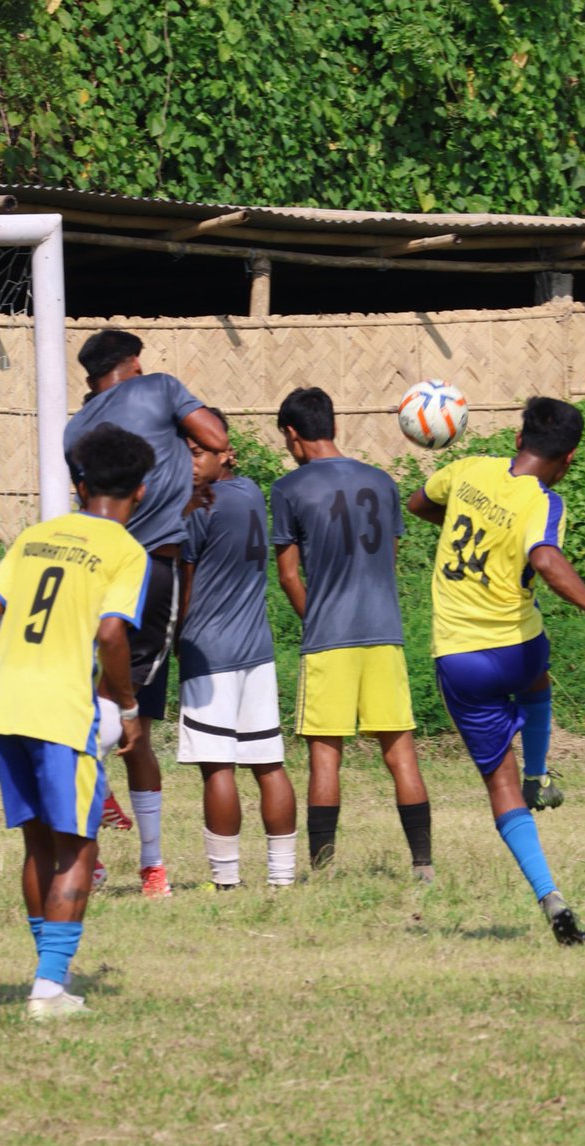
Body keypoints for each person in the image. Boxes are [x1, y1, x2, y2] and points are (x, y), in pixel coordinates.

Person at [406, 395, 585, 947]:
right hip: (517, 650)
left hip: (461, 660)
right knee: (538, 662)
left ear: (518, 439)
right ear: (570, 458)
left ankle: (551, 898)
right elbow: (544, 558)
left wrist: (468, 524)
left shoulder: (467, 471)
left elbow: (419, 504)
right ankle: (540, 772)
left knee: (499, 784)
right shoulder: (544, 501)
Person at [0, 424, 153, 1019]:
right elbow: (112, 631)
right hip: (66, 712)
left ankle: (50, 979)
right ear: (140, 492)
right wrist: (129, 703)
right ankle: (47, 990)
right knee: (78, 848)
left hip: (9, 707)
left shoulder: (35, 537)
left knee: (39, 844)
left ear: (79, 483)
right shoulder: (125, 551)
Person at [63, 329, 228, 897]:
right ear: (133, 364)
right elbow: (214, 435)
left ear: (91, 379)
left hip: (91, 568)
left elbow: (102, 500)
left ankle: (104, 860)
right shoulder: (159, 387)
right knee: (127, 720)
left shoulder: (73, 429)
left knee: (114, 704)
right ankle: (151, 865)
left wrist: (176, 491)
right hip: (153, 569)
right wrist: (197, 464)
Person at [270, 387, 433, 877]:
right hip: (385, 633)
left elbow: (288, 576)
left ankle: (323, 871)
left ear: (293, 434)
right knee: (401, 753)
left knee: (325, 759)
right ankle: (423, 865)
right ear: (334, 426)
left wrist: (316, 614)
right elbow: (390, 560)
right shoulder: (382, 482)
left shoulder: (289, 489)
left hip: (329, 640)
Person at [176, 410, 297, 889]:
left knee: (217, 767)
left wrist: (173, 638)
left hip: (209, 653)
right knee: (269, 764)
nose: (191, 462)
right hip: (257, 651)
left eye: (199, 452)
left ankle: (226, 881)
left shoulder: (199, 509)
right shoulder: (250, 493)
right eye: (185, 453)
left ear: (227, 453)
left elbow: (183, 589)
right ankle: (282, 877)